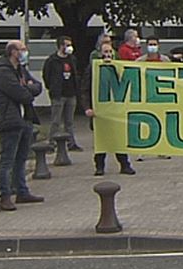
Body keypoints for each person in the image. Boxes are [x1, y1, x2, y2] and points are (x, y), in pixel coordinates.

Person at [0, 40, 45, 210]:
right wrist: (28, 89)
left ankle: (22, 191)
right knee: (7, 160)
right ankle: (5, 195)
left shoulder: (20, 70)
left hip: (25, 119)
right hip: (10, 120)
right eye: (22, 49)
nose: (25, 52)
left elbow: (38, 86)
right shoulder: (3, 72)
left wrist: (29, 88)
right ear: (13, 52)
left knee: (22, 158)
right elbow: (21, 94)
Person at [84, 42, 136, 176]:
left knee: (119, 138)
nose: (107, 55)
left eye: (109, 52)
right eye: (105, 52)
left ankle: (125, 165)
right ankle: (99, 166)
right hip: (99, 111)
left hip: (115, 110)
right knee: (101, 139)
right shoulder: (93, 69)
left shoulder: (118, 68)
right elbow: (84, 89)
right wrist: (87, 108)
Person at [42, 35, 83, 151]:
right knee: (55, 121)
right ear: (61, 46)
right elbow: (46, 76)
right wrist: (52, 88)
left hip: (71, 94)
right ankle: (51, 143)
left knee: (69, 121)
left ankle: (71, 143)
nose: (69, 47)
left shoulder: (72, 59)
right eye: (67, 45)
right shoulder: (52, 60)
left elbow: (75, 73)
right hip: (58, 95)